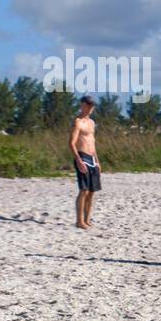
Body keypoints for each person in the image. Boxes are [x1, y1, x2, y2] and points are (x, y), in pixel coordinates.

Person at [70, 96, 100, 229]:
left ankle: (87, 220)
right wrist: (78, 160)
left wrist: (97, 161)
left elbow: (92, 142)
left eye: (92, 106)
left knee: (92, 191)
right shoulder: (78, 122)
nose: (90, 108)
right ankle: (79, 221)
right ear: (82, 105)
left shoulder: (92, 123)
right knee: (84, 190)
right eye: (88, 105)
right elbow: (71, 143)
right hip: (82, 156)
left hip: (92, 158)